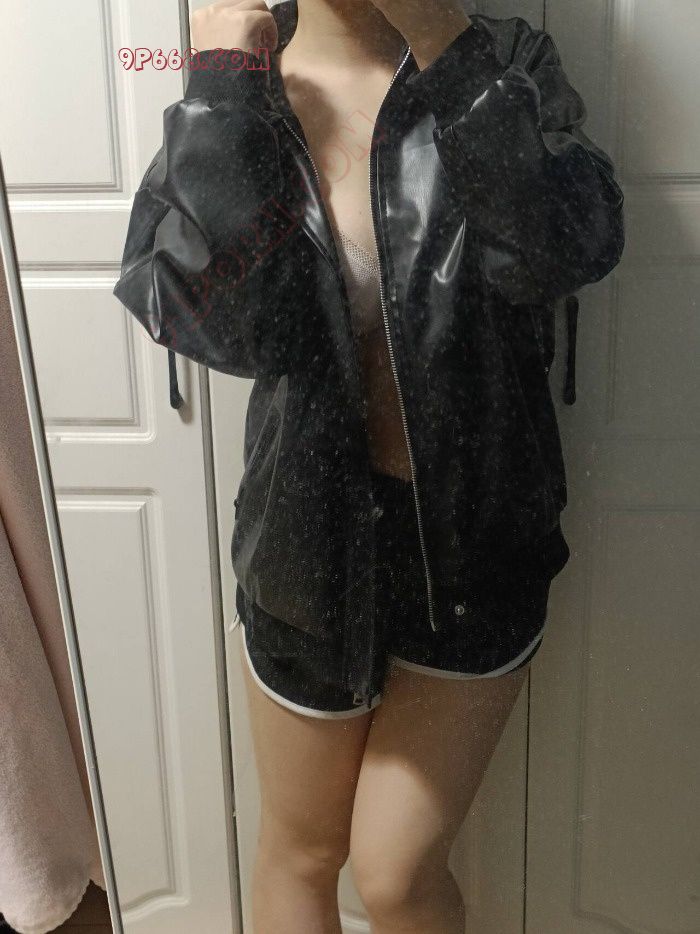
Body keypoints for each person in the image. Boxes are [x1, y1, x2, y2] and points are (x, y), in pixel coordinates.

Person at [113, 1, 625, 930]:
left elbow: (563, 250)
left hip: (476, 542)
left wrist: (445, 49)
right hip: (305, 551)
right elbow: (209, 319)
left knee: (396, 874)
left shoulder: (506, 59)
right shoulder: (249, 83)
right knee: (301, 851)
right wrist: (222, 94)